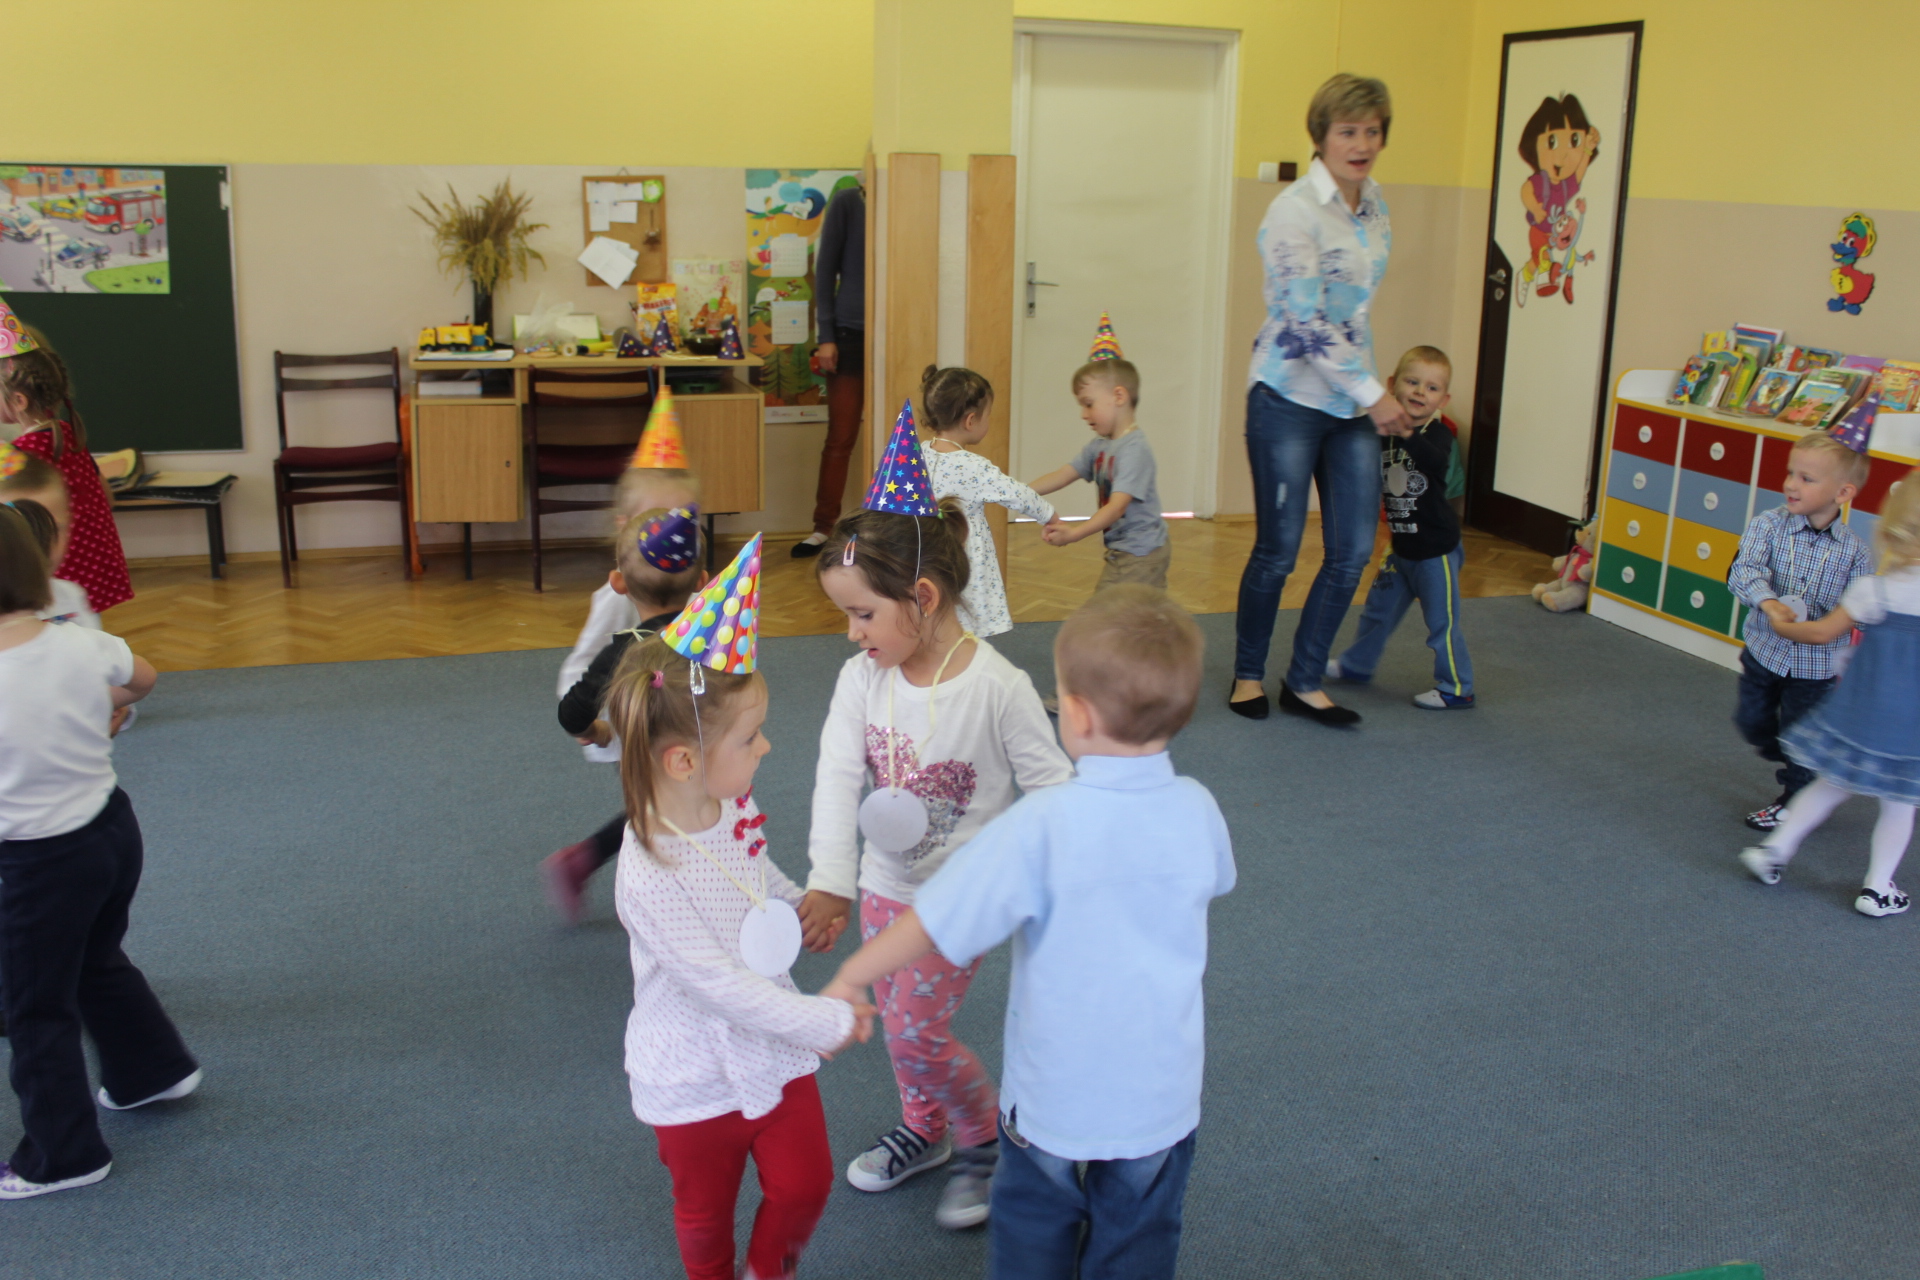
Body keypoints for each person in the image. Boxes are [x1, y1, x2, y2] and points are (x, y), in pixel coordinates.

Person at [823, 585, 1235, 1279]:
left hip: (1052, 1098)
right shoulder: (1199, 808)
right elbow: (1215, 880)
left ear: (1076, 714)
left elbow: (936, 918)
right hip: (1160, 1100)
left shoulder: (1042, 825)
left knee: (1034, 1236)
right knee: (1139, 1241)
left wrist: (853, 975)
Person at [802, 498, 1071, 1230]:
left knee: (914, 1032)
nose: (852, 633)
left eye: (862, 614)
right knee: (900, 1024)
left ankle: (982, 1138)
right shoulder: (863, 677)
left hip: (962, 903)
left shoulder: (997, 686)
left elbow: (1055, 790)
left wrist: (1047, 881)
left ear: (922, 596)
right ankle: (925, 1127)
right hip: (883, 886)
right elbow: (836, 777)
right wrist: (831, 878)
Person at [605, 548, 870, 1280]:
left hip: (770, 1042)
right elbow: (715, 984)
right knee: (703, 1212)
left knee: (805, 1183)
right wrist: (823, 1021)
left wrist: (794, 901)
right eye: (750, 738)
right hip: (693, 1066)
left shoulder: (728, 800)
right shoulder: (647, 872)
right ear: (684, 762)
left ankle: (768, 1270)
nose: (766, 746)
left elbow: (751, 864)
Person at [0, 504, 198, 1200]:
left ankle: (64, 1156)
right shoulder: (79, 641)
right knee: (93, 957)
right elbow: (142, 680)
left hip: (36, 864)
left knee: (35, 1008)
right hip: (110, 832)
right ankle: (152, 1070)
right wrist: (99, 708)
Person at [1231, 73, 1403, 726]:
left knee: (1352, 552)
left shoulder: (1375, 204)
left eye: (1372, 131)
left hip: (1350, 406)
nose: (1362, 144)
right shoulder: (1293, 211)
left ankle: (1303, 681)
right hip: (1287, 398)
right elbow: (1303, 322)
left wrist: (1369, 392)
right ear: (1322, 136)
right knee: (1277, 552)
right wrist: (1374, 393)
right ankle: (1248, 675)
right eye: (1348, 131)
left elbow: (1354, 311)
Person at [1739, 467, 1920, 918]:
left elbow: (1821, 633)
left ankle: (1774, 851)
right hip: (1909, 729)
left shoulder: (1873, 590)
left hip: (1859, 717)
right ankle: (1877, 888)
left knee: (1828, 787)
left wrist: (1782, 625)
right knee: (1899, 807)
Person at [544, 507, 706, 921]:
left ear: (618, 583)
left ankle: (591, 861)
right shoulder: (710, 637)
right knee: (675, 817)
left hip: (637, 748)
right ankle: (649, 889)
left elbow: (571, 713)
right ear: (702, 583)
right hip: (702, 751)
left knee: (660, 812)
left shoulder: (623, 649)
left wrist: (598, 732)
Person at [1726, 431, 1873, 831]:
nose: (1791, 484)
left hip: (1816, 666)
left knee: (1800, 736)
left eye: (1806, 478)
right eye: (1791, 473)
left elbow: (1859, 611)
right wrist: (1768, 602)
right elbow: (1743, 570)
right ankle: (1799, 760)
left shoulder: (1855, 552)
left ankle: (1794, 796)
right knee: (1752, 722)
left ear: (1843, 493)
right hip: (1764, 651)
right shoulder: (1768, 525)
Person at [1326, 346, 1474, 708]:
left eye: (1432, 388)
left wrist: (1407, 432)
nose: (1421, 392)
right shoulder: (1382, 435)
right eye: (1412, 382)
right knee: (1377, 612)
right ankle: (1357, 665)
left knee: (1441, 622)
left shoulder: (1438, 434)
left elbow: (1434, 462)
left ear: (1443, 399)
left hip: (1436, 551)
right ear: (1392, 385)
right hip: (1400, 548)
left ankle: (1457, 688)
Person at [1, 323, 133, 615]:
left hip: (61, 568)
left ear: (19, 401)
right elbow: (106, 495)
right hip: (94, 561)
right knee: (80, 625)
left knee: (59, 625)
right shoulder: (66, 431)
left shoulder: (19, 454)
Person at [918, 364, 1056, 637]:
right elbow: (1018, 494)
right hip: (964, 556)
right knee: (966, 617)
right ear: (970, 420)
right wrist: (1049, 515)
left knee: (933, 611)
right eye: (988, 415)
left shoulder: (918, 453)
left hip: (926, 552)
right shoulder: (973, 466)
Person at [1029, 356, 1169, 590]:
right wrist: (1017, 491)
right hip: (1124, 550)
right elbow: (1064, 474)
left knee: (1108, 609)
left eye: (1088, 404)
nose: (1083, 414)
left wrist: (1074, 534)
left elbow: (1116, 508)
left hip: (1141, 554)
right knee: (1134, 610)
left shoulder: (1134, 450)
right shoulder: (1100, 446)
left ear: (1119, 396)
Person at [794, 181, 866, 558]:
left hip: (896, 337)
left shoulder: (906, 199)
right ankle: (823, 527)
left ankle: (893, 526)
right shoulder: (848, 201)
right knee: (840, 437)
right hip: (848, 334)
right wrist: (826, 336)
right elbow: (825, 272)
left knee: (901, 439)